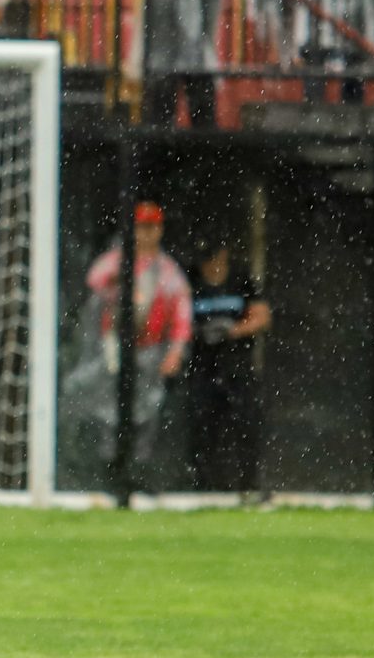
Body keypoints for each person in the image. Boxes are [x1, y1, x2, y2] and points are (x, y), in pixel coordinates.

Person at [74, 202, 193, 471]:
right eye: (141, 227)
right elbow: (94, 282)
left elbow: (182, 316)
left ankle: (138, 466)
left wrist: (175, 352)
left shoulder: (168, 270)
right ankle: (107, 464)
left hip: (150, 350)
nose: (146, 234)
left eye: (152, 227)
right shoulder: (117, 260)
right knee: (107, 406)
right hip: (113, 346)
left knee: (147, 410)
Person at [183, 248, 271, 495]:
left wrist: (233, 331)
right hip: (202, 366)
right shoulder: (191, 280)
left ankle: (248, 485)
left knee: (246, 423)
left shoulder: (241, 279)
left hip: (236, 364)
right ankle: (203, 486)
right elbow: (177, 318)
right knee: (203, 425)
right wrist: (200, 332)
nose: (211, 267)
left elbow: (263, 316)